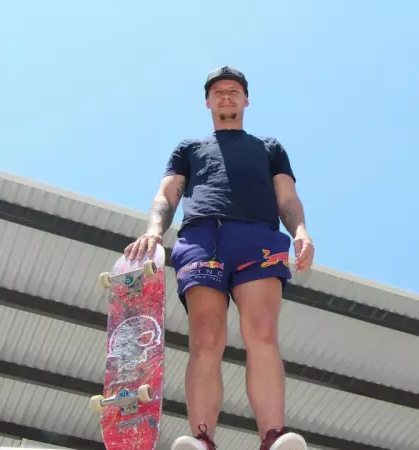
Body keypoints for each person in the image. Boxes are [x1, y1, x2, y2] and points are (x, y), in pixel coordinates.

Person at [124, 66, 315, 450]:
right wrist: (154, 231)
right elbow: (167, 194)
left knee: (261, 331)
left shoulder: (269, 147)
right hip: (202, 237)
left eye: (234, 90)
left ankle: (273, 438)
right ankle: (202, 439)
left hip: (258, 236)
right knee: (206, 336)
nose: (226, 95)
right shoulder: (188, 148)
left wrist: (301, 232)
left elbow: (287, 198)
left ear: (246, 100)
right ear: (208, 102)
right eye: (218, 91)